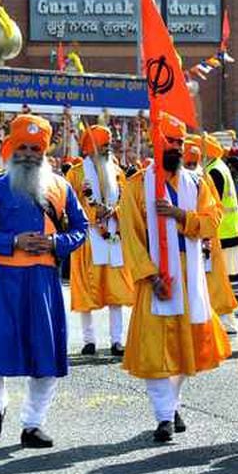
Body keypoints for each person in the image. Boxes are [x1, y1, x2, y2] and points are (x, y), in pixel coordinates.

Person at [0, 115, 89, 448]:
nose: (29, 154)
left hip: (42, 282)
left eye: (36, 149)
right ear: (11, 148)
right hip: (1, 279)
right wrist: (13, 242)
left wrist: (54, 244)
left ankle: (33, 424)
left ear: (45, 152)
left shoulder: (61, 188)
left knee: (45, 354)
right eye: (23, 147)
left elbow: (81, 228)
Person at [116, 114, 232, 442]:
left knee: (186, 347)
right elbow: (132, 236)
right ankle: (164, 416)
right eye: (170, 141)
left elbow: (213, 221)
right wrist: (151, 277)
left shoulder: (197, 182)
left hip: (190, 275)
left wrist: (181, 215)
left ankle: (172, 403)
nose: (177, 148)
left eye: (180, 142)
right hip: (156, 276)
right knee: (155, 350)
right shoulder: (138, 185)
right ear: (157, 142)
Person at [66, 125, 135, 357]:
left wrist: (115, 211)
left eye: (108, 145)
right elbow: (69, 208)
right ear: (91, 148)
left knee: (116, 291)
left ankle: (117, 341)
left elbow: (127, 202)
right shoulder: (75, 174)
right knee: (87, 291)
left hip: (114, 238)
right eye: (103, 145)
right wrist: (94, 212)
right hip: (88, 240)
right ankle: (89, 341)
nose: (108, 149)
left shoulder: (117, 171)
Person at [201, 135, 238, 333]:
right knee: (220, 280)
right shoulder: (219, 166)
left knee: (219, 281)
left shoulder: (213, 170)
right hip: (227, 230)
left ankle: (225, 320)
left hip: (221, 231)